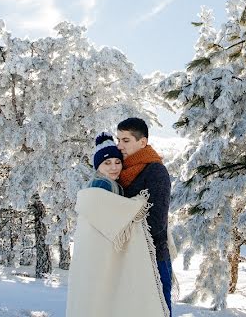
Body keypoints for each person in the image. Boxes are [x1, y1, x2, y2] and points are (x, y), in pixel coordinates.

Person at [66, 131, 169, 317]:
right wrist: (138, 203)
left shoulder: (115, 184)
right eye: (107, 163)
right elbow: (109, 221)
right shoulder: (102, 186)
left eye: (117, 162)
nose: (114, 167)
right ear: (98, 166)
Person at [116, 117, 173, 316]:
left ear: (142, 142)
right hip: (127, 257)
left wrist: (120, 229)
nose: (119, 145)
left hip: (153, 258)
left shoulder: (156, 171)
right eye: (118, 140)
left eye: (125, 140)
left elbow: (157, 221)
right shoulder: (118, 171)